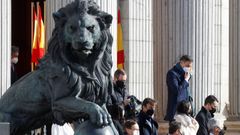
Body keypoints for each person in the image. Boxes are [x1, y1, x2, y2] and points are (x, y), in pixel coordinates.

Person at [164, 55, 193, 122]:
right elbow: (177, 91)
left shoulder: (185, 73)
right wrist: (185, 80)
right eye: (188, 66)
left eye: (190, 66)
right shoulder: (172, 73)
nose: (189, 68)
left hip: (185, 111)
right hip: (176, 111)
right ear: (181, 62)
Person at [107, 69, 130, 135]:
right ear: (115, 78)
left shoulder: (125, 91)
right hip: (114, 122)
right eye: (122, 80)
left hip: (124, 122)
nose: (123, 83)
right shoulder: (110, 91)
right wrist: (122, 104)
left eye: (124, 81)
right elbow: (108, 107)